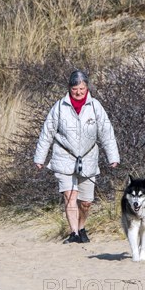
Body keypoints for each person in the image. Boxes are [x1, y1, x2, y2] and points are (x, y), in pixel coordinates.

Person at [34, 70, 120, 244]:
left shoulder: (95, 106)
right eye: (75, 89)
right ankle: (73, 233)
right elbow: (47, 133)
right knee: (69, 195)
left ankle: (81, 228)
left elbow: (106, 132)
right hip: (64, 156)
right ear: (69, 89)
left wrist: (113, 156)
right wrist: (39, 158)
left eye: (81, 88)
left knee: (86, 202)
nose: (78, 92)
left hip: (88, 158)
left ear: (87, 87)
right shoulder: (59, 107)